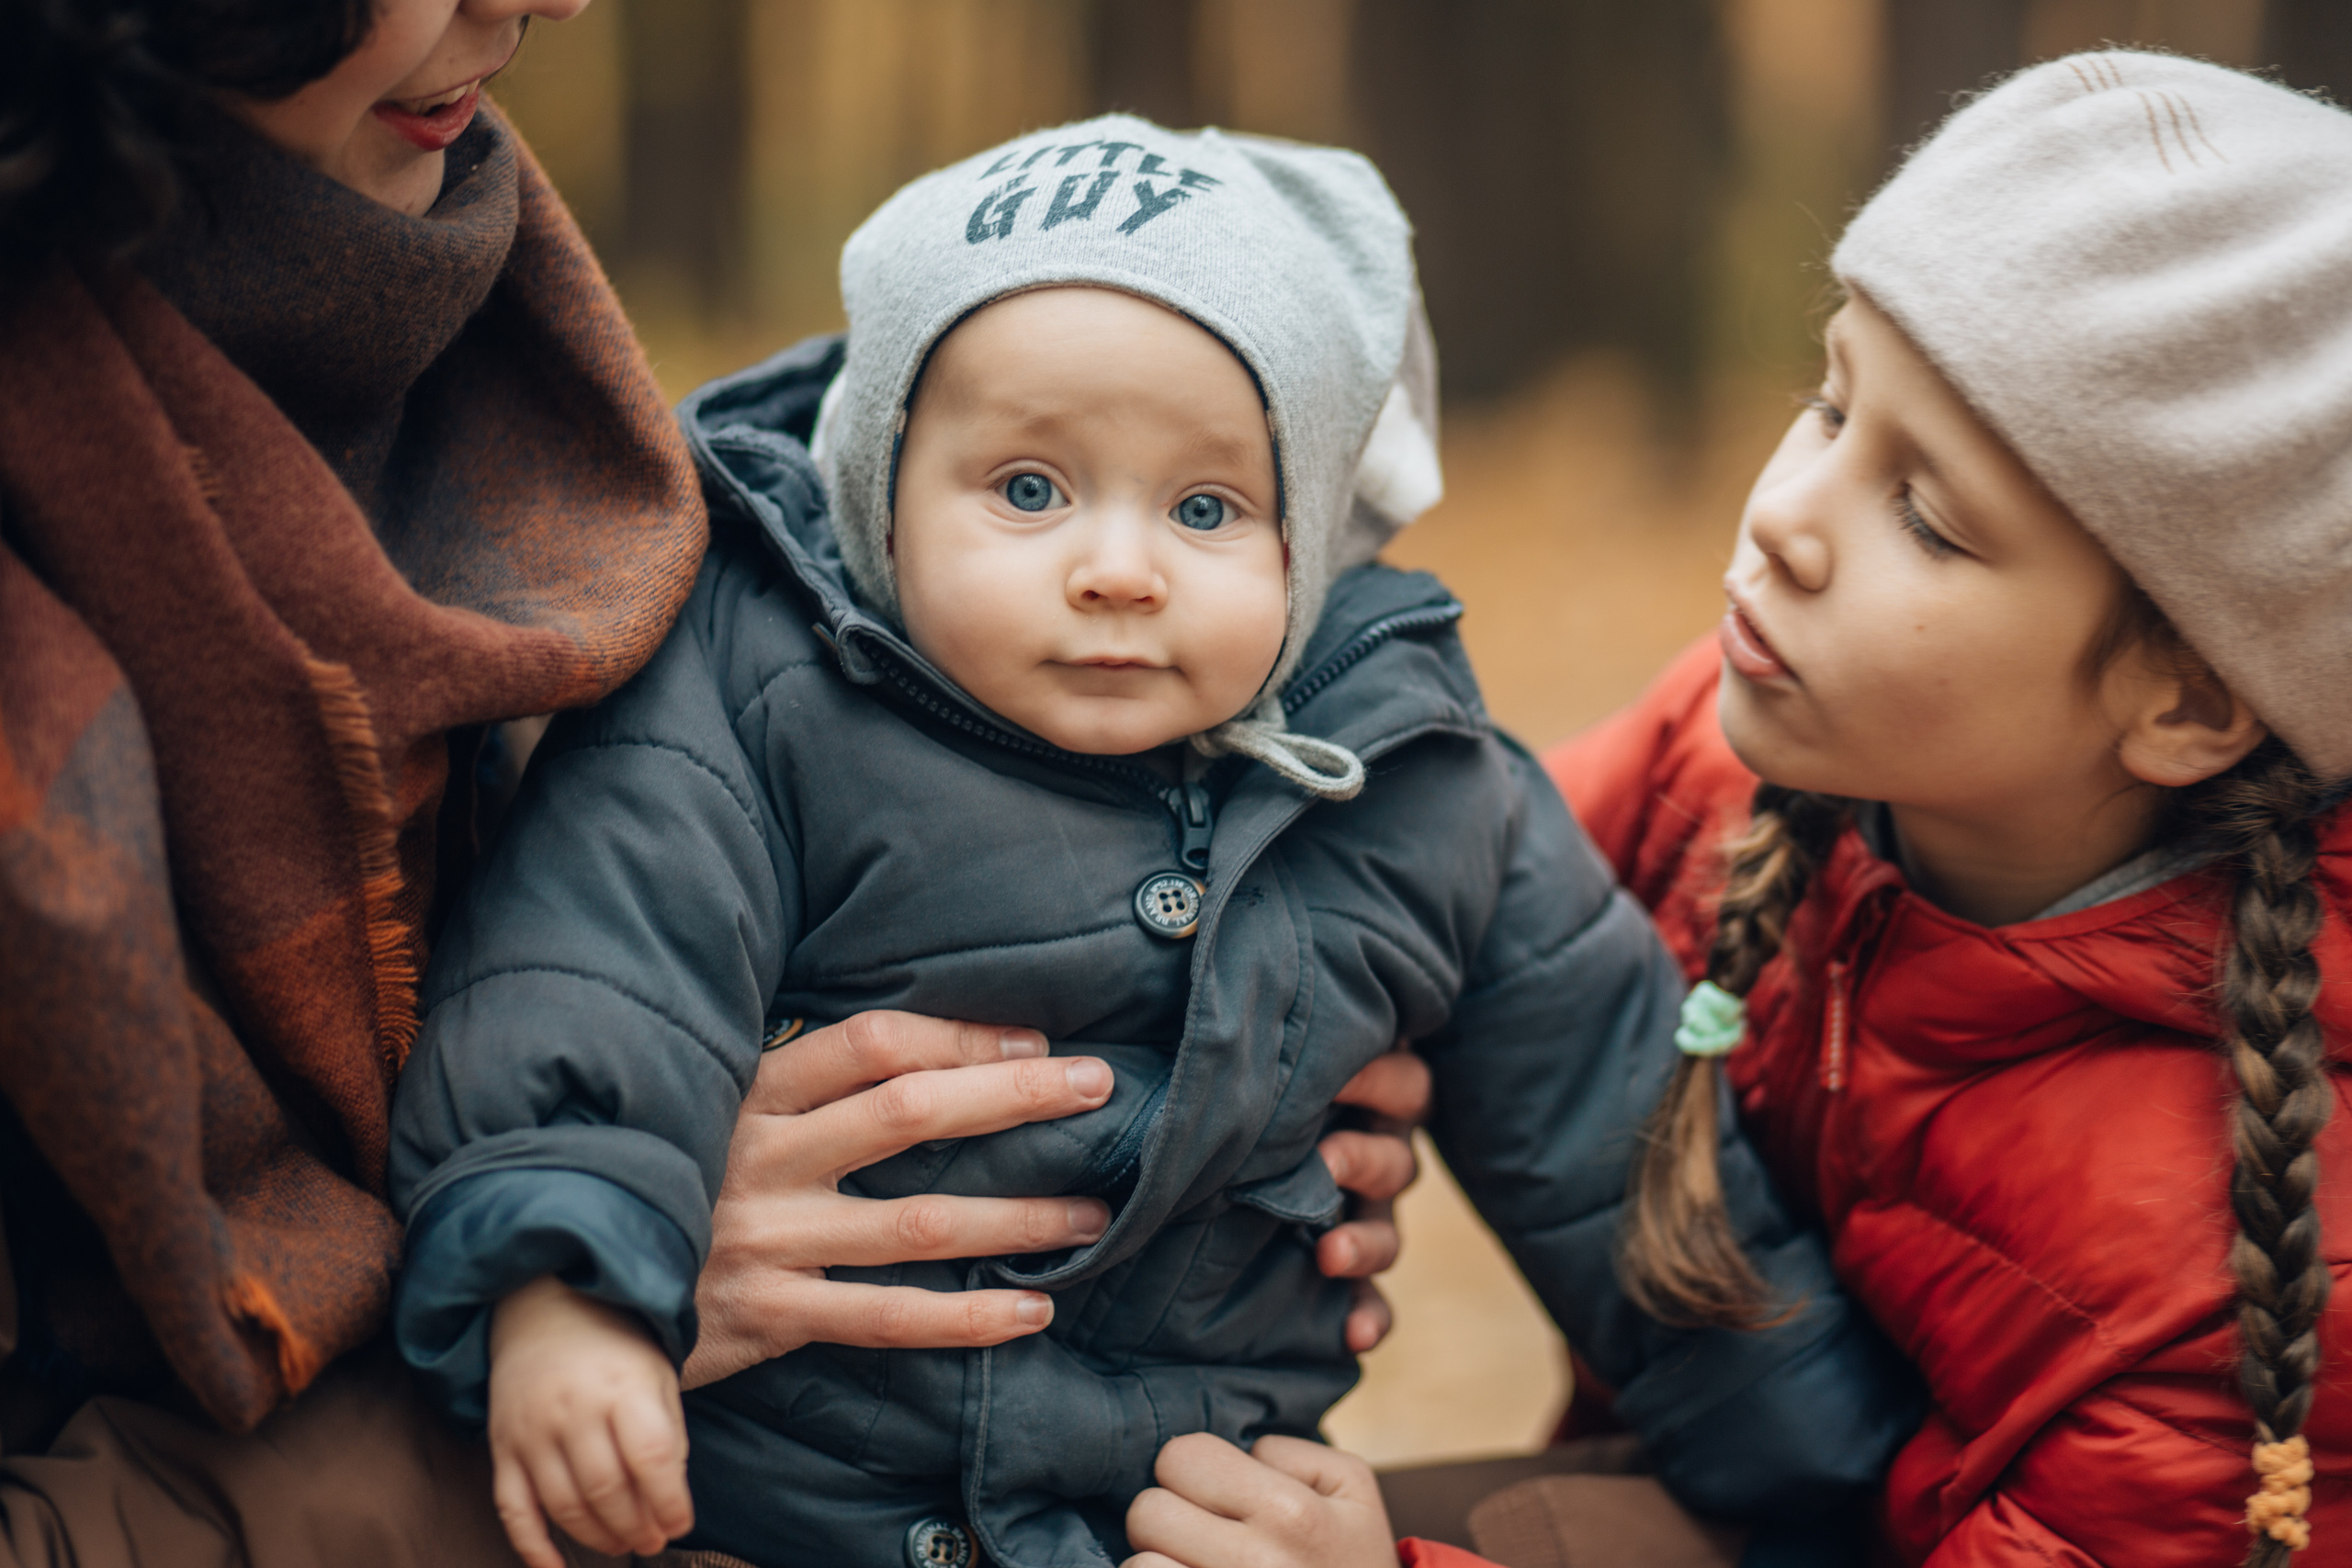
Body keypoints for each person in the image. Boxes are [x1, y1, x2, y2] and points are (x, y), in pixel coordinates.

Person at [389, 115, 1917, 1568]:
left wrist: (1821, 1472)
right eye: (1031, 490)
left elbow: (1616, 1142)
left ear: (1306, 543)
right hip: (760, 1505)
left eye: (1204, 508)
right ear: (884, 487)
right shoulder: (757, 693)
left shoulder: (1414, 779)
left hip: (1162, 1523)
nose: (1118, 570)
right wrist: (565, 1290)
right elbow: (594, 983)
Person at [0, 8, 1419, 1564]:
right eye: (1031, 489)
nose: (539, 2)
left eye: (1209, 507)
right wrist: (591, 1264)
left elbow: (1594, 1036)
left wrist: (1227, 1058)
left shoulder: (482, 315)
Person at [1119, 47, 2352, 1568]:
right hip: (1720, 1479)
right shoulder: (1746, 763)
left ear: (2188, 700)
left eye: (1929, 518)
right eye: (1831, 407)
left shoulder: (2238, 1251)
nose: (1785, 516)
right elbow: (1419, 892)